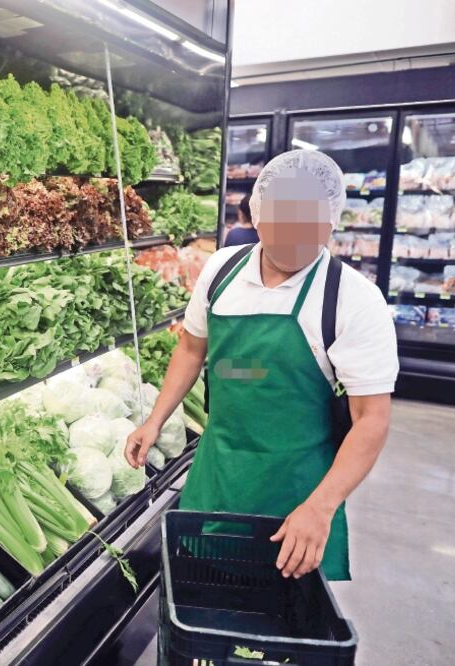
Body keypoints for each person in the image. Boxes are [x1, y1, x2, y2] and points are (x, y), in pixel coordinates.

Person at [125, 150, 397, 581]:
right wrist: (155, 420)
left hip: (297, 492)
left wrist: (321, 507)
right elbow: (192, 349)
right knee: (204, 592)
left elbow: (372, 420)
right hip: (217, 474)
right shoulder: (221, 271)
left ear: (330, 225)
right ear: (257, 216)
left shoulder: (353, 299)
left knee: (282, 609)